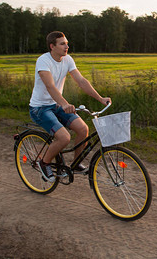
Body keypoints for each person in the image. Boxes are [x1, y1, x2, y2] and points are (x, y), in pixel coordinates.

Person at [29, 31, 111, 182]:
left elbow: (81, 81)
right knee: (64, 138)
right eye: (62, 43)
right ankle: (44, 162)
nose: (67, 46)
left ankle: (76, 163)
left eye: (66, 43)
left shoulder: (67, 60)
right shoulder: (43, 61)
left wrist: (100, 98)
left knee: (83, 129)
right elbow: (50, 86)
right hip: (40, 108)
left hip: (56, 104)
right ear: (52, 46)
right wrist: (65, 104)